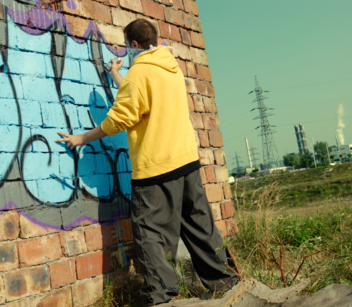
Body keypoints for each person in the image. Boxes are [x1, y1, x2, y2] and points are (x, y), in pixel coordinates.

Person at [55, 19, 237, 306]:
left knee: (151, 233)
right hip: (186, 161)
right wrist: (117, 75)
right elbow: (142, 94)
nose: (126, 51)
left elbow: (120, 117)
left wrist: (81, 138)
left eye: (126, 46)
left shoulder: (139, 74)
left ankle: (159, 296)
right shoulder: (169, 66)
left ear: (134, 45)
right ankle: (225, 283)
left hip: (157, 168)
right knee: (200, 226)